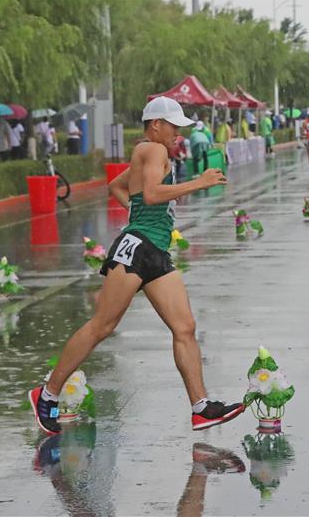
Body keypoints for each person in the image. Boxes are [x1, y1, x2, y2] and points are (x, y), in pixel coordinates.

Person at [29, 97, 240, 435]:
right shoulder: (154, 151)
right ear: (156, 124)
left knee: (184, 327)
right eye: (174, 127)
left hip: (154, 249)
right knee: (102, 326)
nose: (178, 135)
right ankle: (48, 393)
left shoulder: (146, 151)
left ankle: (201, 408)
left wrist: (138, 212)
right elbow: (154, 194)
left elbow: (117, 186)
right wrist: (199, 183)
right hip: (139, 247)